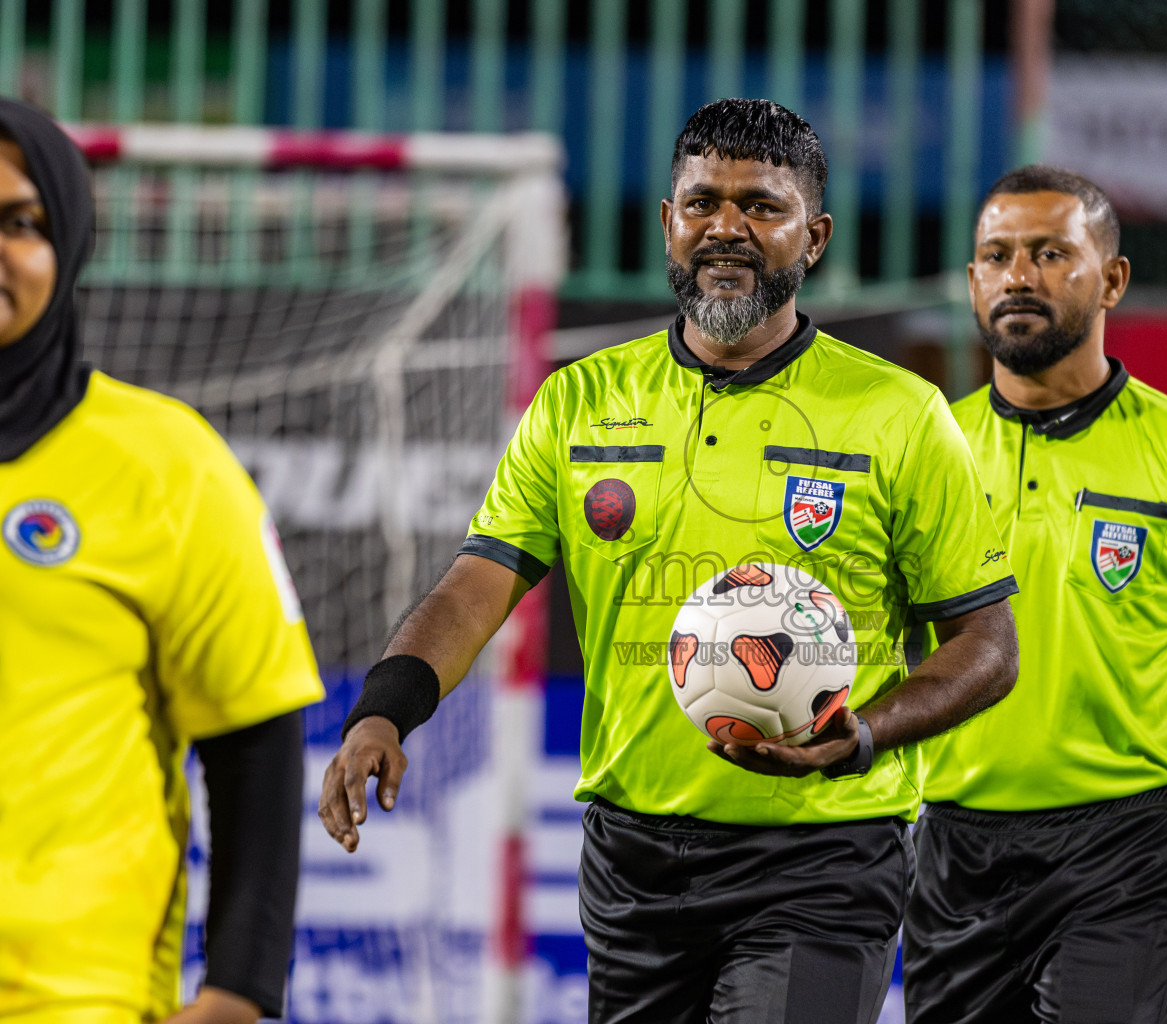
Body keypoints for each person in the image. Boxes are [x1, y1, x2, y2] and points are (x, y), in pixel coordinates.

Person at [317, 98, 1019, 1024]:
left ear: (814, 238)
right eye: (702, 202)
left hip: (821, 853)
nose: (726, 227)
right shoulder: (579, 402)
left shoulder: (899, 413)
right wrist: (384, 712)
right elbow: (475, 585)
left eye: (762, 208)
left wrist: (870, 735)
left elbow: (986, 644)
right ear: (667, 221)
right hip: (632, 861)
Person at [904, 165, 1167, 1024]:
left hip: (1123, 851)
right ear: (972, 281)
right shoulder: (927, 449)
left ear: (1111, 278)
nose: (1019, 275)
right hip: (953, 848)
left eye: (1051, 253)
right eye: (997, 255)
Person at [0, 99, 323, 1023]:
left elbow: (254, 740)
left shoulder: (166, 462)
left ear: (66, 242)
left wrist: (239, 991)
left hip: (69, 1001)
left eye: (19, 223)